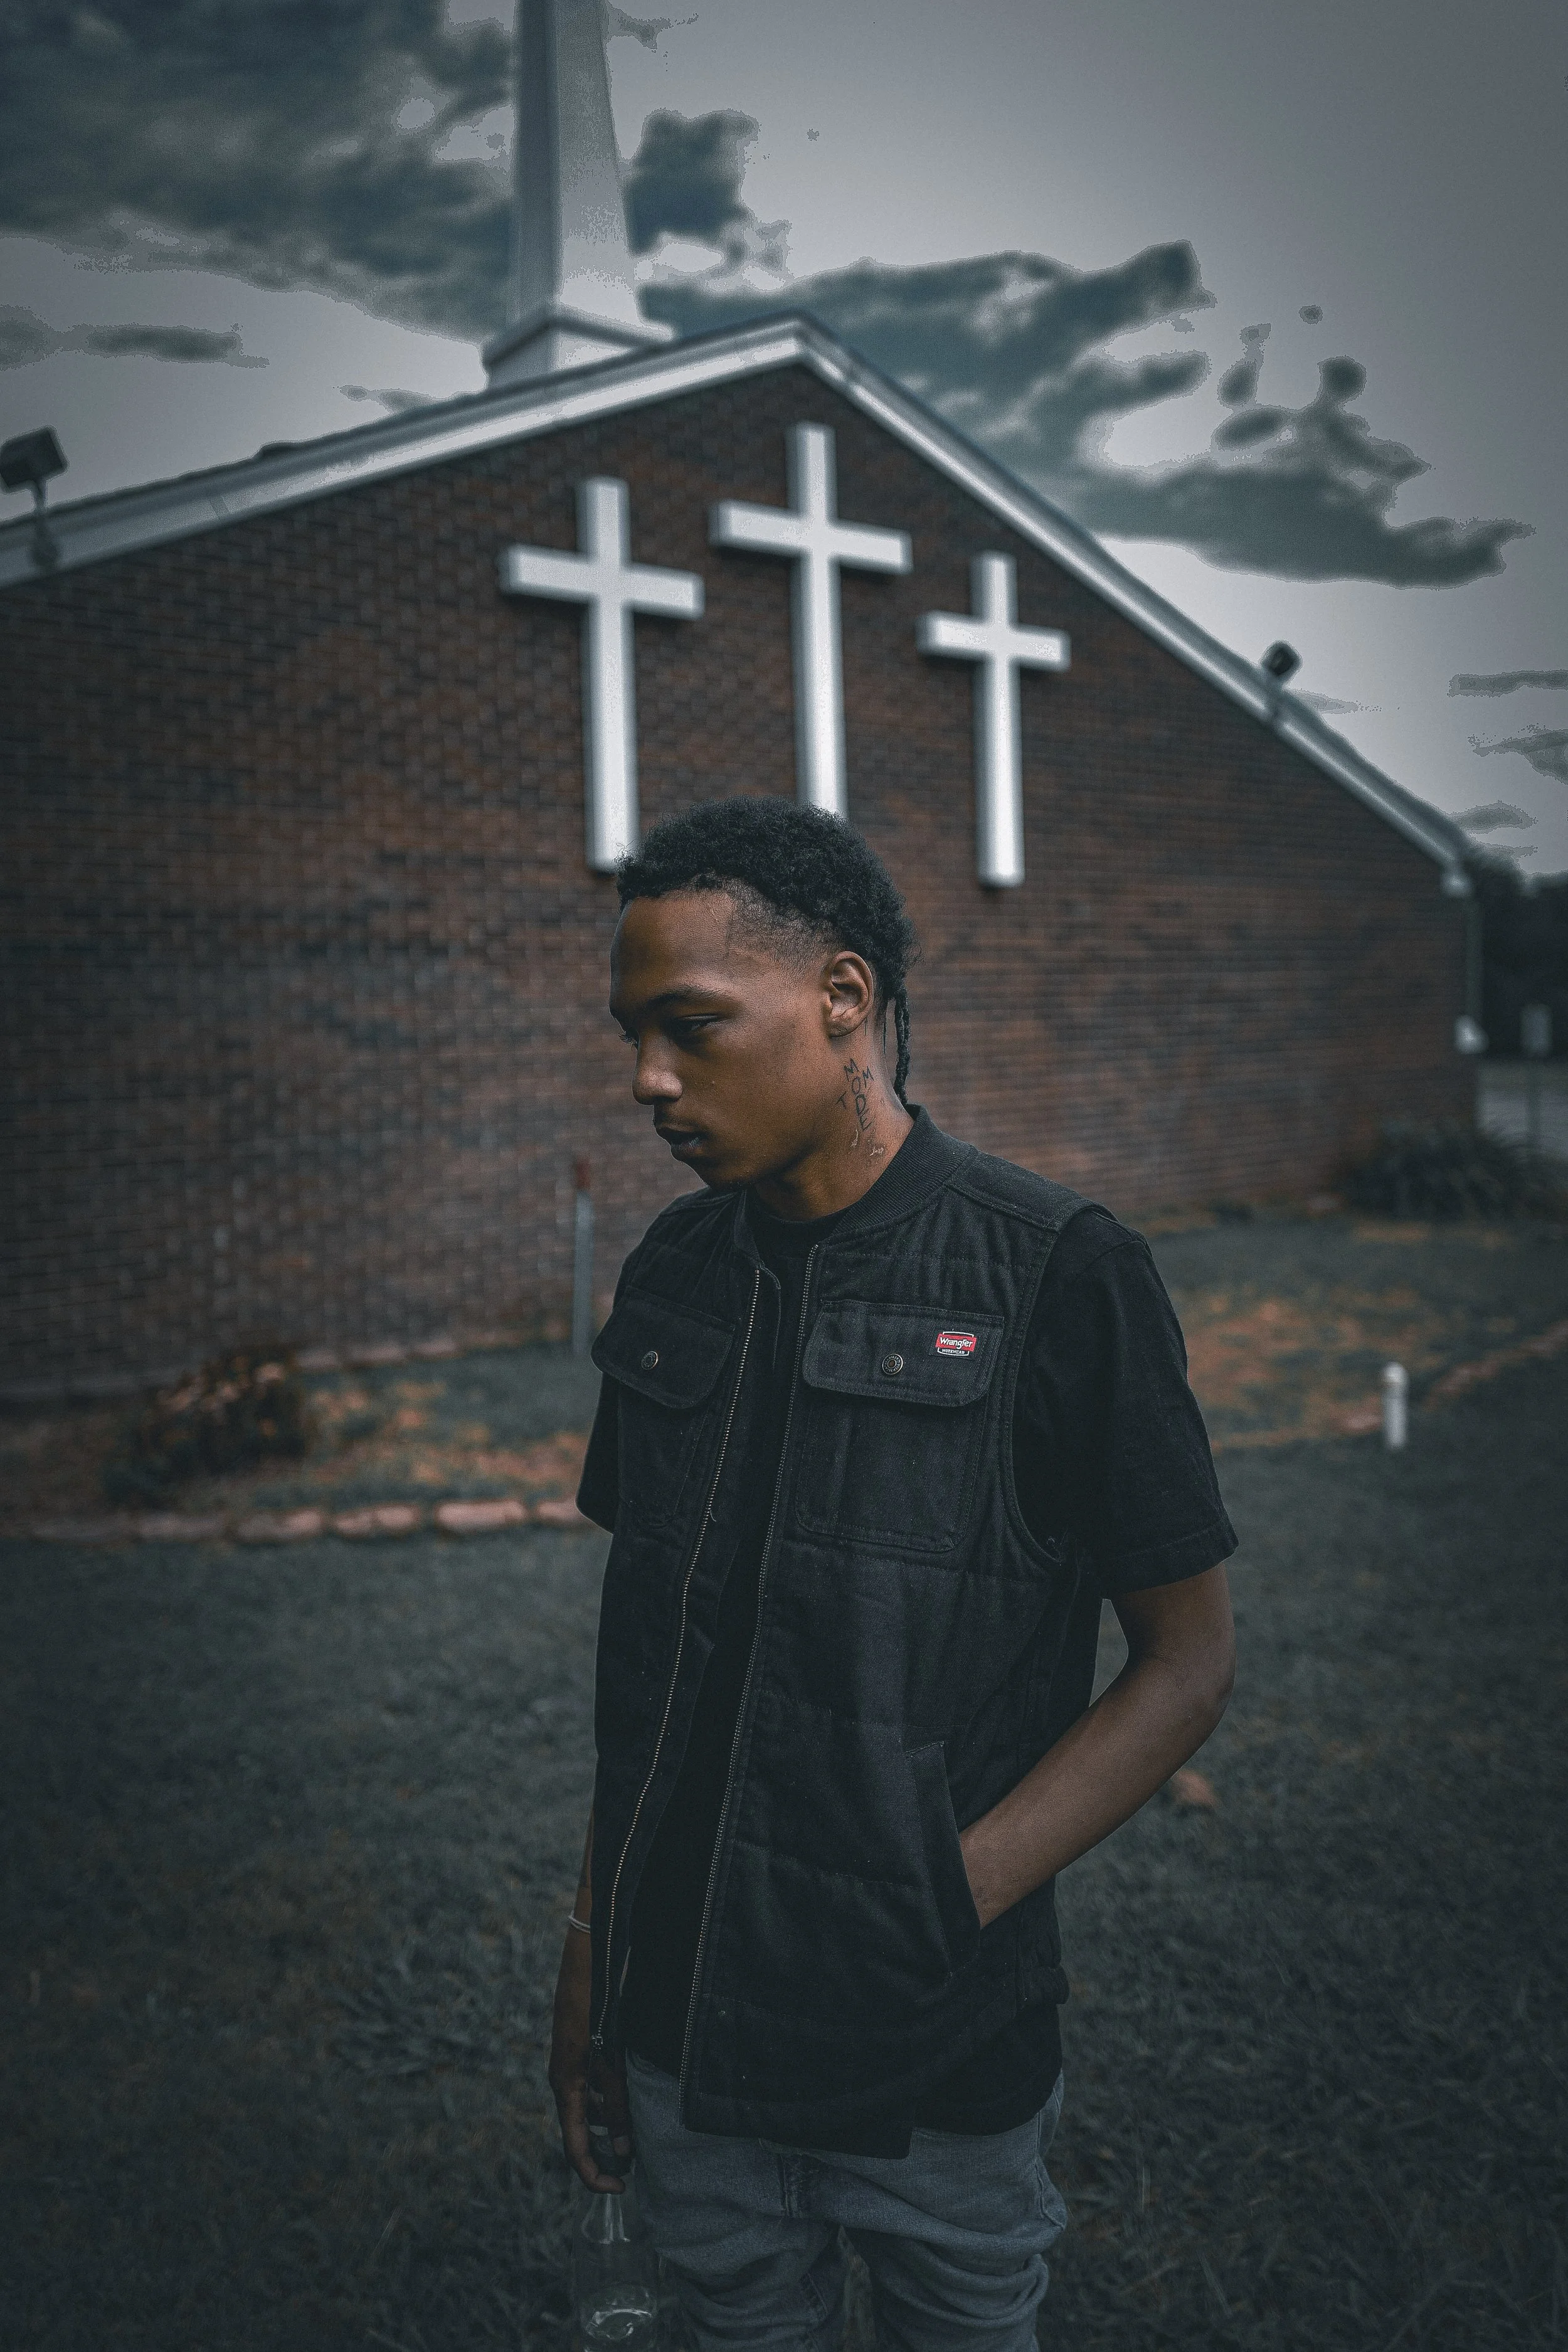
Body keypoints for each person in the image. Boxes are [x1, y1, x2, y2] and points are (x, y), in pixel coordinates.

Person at [549, 798, 1237, 2351]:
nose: (648, 1077)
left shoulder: (1061, 1274)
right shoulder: (671, 1271)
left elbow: (1187, 1664)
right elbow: (641, 1675)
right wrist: (592, 1957)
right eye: (630, 1034)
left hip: (929, 2055)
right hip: (675, 2036)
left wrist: (950, 1894)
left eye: (692, 1026)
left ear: (841, 1000)